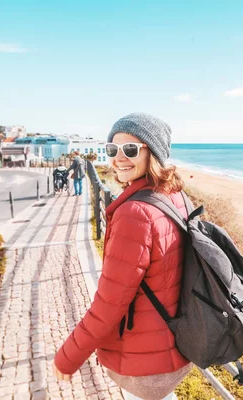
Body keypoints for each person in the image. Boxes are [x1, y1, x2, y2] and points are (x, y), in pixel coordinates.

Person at [53, 113, 191, 400]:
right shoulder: (175, 196)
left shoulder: (134, 213)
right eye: (112, 149)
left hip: (144, 363)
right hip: (178, 346)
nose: (118, 158)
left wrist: (67, 357)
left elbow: (109, 305)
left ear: (152, 153)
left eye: (130, 150)